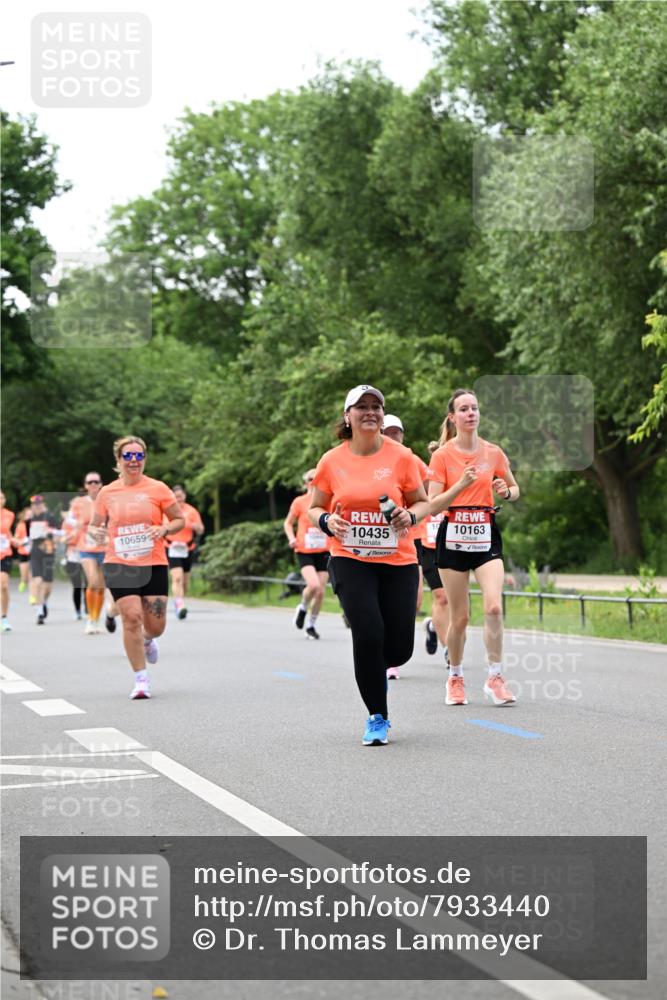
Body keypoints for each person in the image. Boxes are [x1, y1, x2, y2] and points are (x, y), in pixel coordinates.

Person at [309, 385, 430, 746]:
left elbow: (422, 502)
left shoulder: (402, 456)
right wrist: (327, 522)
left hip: (398, 559)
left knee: (398, 650)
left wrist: (409, 516)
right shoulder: (332, 460)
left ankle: (377, 666)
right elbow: (315, 507)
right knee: (368, 632)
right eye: (361, 407)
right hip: (350, 558)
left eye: (376, 406)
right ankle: (377, 715)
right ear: (347, 416)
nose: (370, 412)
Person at [428, 388, 520, 707]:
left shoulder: (493, 452)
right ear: (453, 417)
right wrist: (462, 485)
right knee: (461, 618)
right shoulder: (441, 456)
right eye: (464, 409)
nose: (471, 413)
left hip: (485, 536)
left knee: (493, 607)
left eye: (475, 408)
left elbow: (514, 488)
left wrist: (504, 492)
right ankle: (455, 677)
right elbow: (432, 502)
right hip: (452, 536)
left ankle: (495, 677)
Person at [89, 436, 184, 700]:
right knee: (131, 617)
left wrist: (164, 528)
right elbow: (95, 525)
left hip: (153, 562)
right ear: (118, 461)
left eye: (139, 456)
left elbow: (179, 520)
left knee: (156, 625)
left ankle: (147, 640)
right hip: (119, 562)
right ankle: (141, 679)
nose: (134, 461)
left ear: (145, 459)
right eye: (128, 456)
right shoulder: (107, 492)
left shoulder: (158, 489)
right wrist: (96, 534)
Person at [381, 413, 433, 679]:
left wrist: (417, 511)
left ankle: (395, 647)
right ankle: (388, 659)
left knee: (413, 600)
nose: (392, 437)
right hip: (381, 542)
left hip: (413, 537)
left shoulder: (411, 460)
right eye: (387, 432)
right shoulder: (371, 458)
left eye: (396, 432)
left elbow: (430, 490)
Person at [283, 469, 330, 640]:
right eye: (310, 479)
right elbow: (288, 523)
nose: (313, 481)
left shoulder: (328, 501)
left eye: (317, 478)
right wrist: (291, 538)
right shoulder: (299, 502)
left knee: (320, 592)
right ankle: (303, 607)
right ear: (305, 483)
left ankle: (311, 625)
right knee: (314, 585)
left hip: (324, 549)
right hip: (304, 550)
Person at [421, 441, 450, 662]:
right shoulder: (420, 478)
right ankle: (448, 648)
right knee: (441, 597)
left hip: (452, 544)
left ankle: (432, 625)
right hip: (428, 546)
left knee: (454, 600)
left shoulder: (454, 481)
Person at [73, 472, 107, 634]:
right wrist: (77, 523)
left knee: (101, 587)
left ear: (100, 484)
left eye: (96, 482)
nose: (93, 484)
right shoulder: (78, 502)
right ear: (85, 485)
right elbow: (70, 520)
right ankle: (90, 619)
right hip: (86, 547)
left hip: (104, 547)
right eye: (90, 482)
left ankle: (95, 619)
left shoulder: (106, 500)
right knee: (92, 581)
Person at [165, 485, 204, 620]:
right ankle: (180, 605)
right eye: (176, 497)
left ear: (185, 496)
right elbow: (163, 527)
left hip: (187, 548)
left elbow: (200, 530)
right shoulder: (167, 511)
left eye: (181, 496)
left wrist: (192, 525)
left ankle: (179, 601)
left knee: (185, 582)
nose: (179, 499)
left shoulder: (192, 511)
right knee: (177, 577)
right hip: (172, 547)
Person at [27, 495, 61, 625]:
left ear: (42, 504)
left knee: (48, 586)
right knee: (38, 580)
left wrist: (55, 542)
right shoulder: (29, 519)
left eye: (38, 504)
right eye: (34, 504)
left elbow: (59, 532)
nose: (36, 506)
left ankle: (45, 602)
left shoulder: (49, 517)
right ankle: (40, 612)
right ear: (32, 506)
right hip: (36, 551)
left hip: (48, 551)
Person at [61, 498, 86, 621]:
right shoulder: (67, 523)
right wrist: (74, 534)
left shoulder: (87, 520)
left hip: (87, 553)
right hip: (72, 555)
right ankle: (77, 610)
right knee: (77, 585)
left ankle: (88, 609)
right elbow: (63, 539)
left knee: (89, 583)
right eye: (75, 506)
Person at [0, 491, 15, 632]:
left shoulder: (9, 515)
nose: (0, 500)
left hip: (5, 554)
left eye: (2, 497)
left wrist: (14, 540)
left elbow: (7, 532)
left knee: (3, 585)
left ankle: (4, 617)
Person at [13, 508, 32, 595]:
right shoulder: (20, 526)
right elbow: (15, 540)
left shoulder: (35, 525)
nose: (29, 516)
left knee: (32, 576)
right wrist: (23, 541)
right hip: (23, 552)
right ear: (24, 516)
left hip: (33, 553)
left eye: (31, 515)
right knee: (25, 576)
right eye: (27, 515)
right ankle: (23, 582)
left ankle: (33, 595)